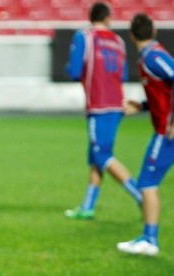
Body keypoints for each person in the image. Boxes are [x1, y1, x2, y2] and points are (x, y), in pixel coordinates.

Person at [117, 13, 174, 256]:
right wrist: (142, 106)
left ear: (132, 35)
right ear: (153, 31)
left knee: (147, 182)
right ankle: (148, 239)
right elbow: (164, 94)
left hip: (171, 131)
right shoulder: (151, 56)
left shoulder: (152, 56)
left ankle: (149, 239)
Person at [64, 2, 142, 219]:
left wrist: (73, 70)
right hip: (117, 103)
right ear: (108, 18)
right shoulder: (118, 41)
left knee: (102, 155)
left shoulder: (84, 36)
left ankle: (140, 195)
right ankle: (88, 206)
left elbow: (74, 70)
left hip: (99, 104)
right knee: (96, 156)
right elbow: (123, 75)